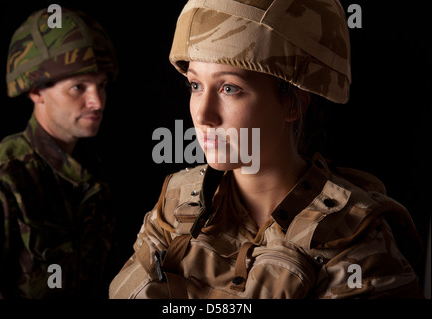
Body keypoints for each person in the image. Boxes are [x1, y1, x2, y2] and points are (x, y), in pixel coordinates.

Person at [109, 0, 424, 298]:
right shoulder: (175, 204)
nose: (203, 116)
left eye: (229, 88)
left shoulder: (351, 237)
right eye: (196, 86)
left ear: (292, 103)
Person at [0, 7, 119, 299]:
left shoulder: (93, 176)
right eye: (78, 87)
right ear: (36, 92)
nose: (96, 102)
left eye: (102, 86)